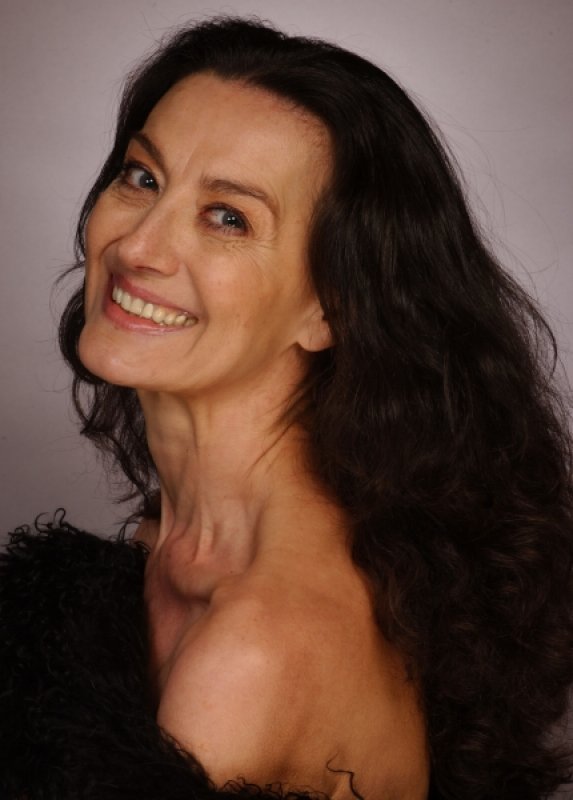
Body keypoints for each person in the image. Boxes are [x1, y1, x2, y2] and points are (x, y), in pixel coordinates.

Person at [7, 15, 573, 800]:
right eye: (141, 177)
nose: (137, 247)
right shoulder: (183, 546)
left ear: (330, 308)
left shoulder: (249, 654)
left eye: (227, 217)